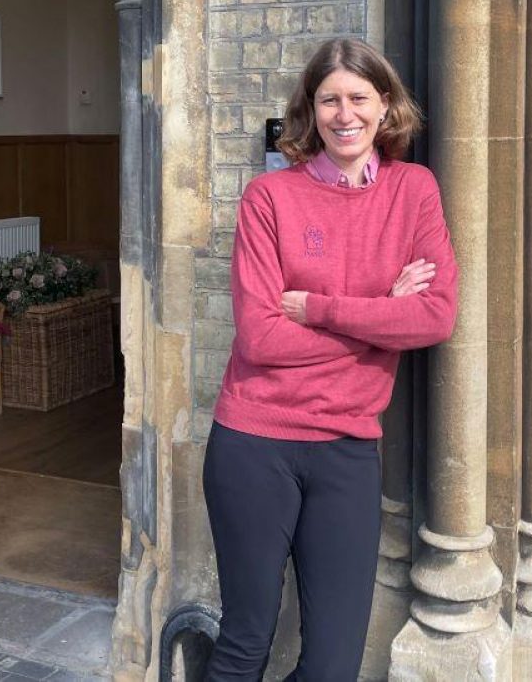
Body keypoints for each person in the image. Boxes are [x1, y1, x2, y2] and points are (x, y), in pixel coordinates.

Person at [203, 38, 459, 680]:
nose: (345, 115)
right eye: (329, 100)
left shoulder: (414, 190)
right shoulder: (270, 199)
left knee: (333, 666)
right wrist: (383, 316)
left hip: (347, 447)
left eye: (359, 98)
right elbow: (260, 338)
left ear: (385, 106)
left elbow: (433, 316)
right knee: (244, 644)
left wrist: (319, 308)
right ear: (310, 110)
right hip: (254, 443)